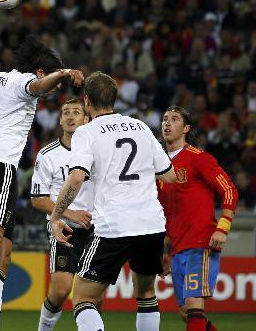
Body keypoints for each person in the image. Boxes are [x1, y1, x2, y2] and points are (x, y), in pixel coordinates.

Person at [0, 35, 84, 331]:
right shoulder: (24, 83)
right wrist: (66, 73)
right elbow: (39, 86)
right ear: (41, 72)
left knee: (4, 252)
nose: (53, 91)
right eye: (54, 83)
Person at [50, 71, 176, 331]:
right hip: (150, 224)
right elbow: (170, 175)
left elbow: (76, 178)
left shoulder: (86, 132)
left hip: (114, 226)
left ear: (87, 101)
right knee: (146, 294)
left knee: (83, 298)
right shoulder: (140, 126)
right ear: (115, 98)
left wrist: (55, 216)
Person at [159, 106, 238, 331]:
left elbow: (229, 190)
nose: (167, 123)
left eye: (174, 119)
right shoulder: (161, 168)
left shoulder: (198, 158)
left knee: (194, 306)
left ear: (186, 128)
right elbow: (167, 213)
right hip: (177, 248)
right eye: (165, 119)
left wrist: (222, 228)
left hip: (201, 242)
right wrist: (166, 251)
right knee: (186, 312)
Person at [31, 98, 95, 331]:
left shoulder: (98, 150)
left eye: (76, 112)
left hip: (97, 230)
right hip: (64, 228)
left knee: (91, 295)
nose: (70, 116)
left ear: (86, 119)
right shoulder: (47, 154)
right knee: (60, 290)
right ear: (60, 120)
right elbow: (37, 199)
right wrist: (71, 213)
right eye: (65, 112)